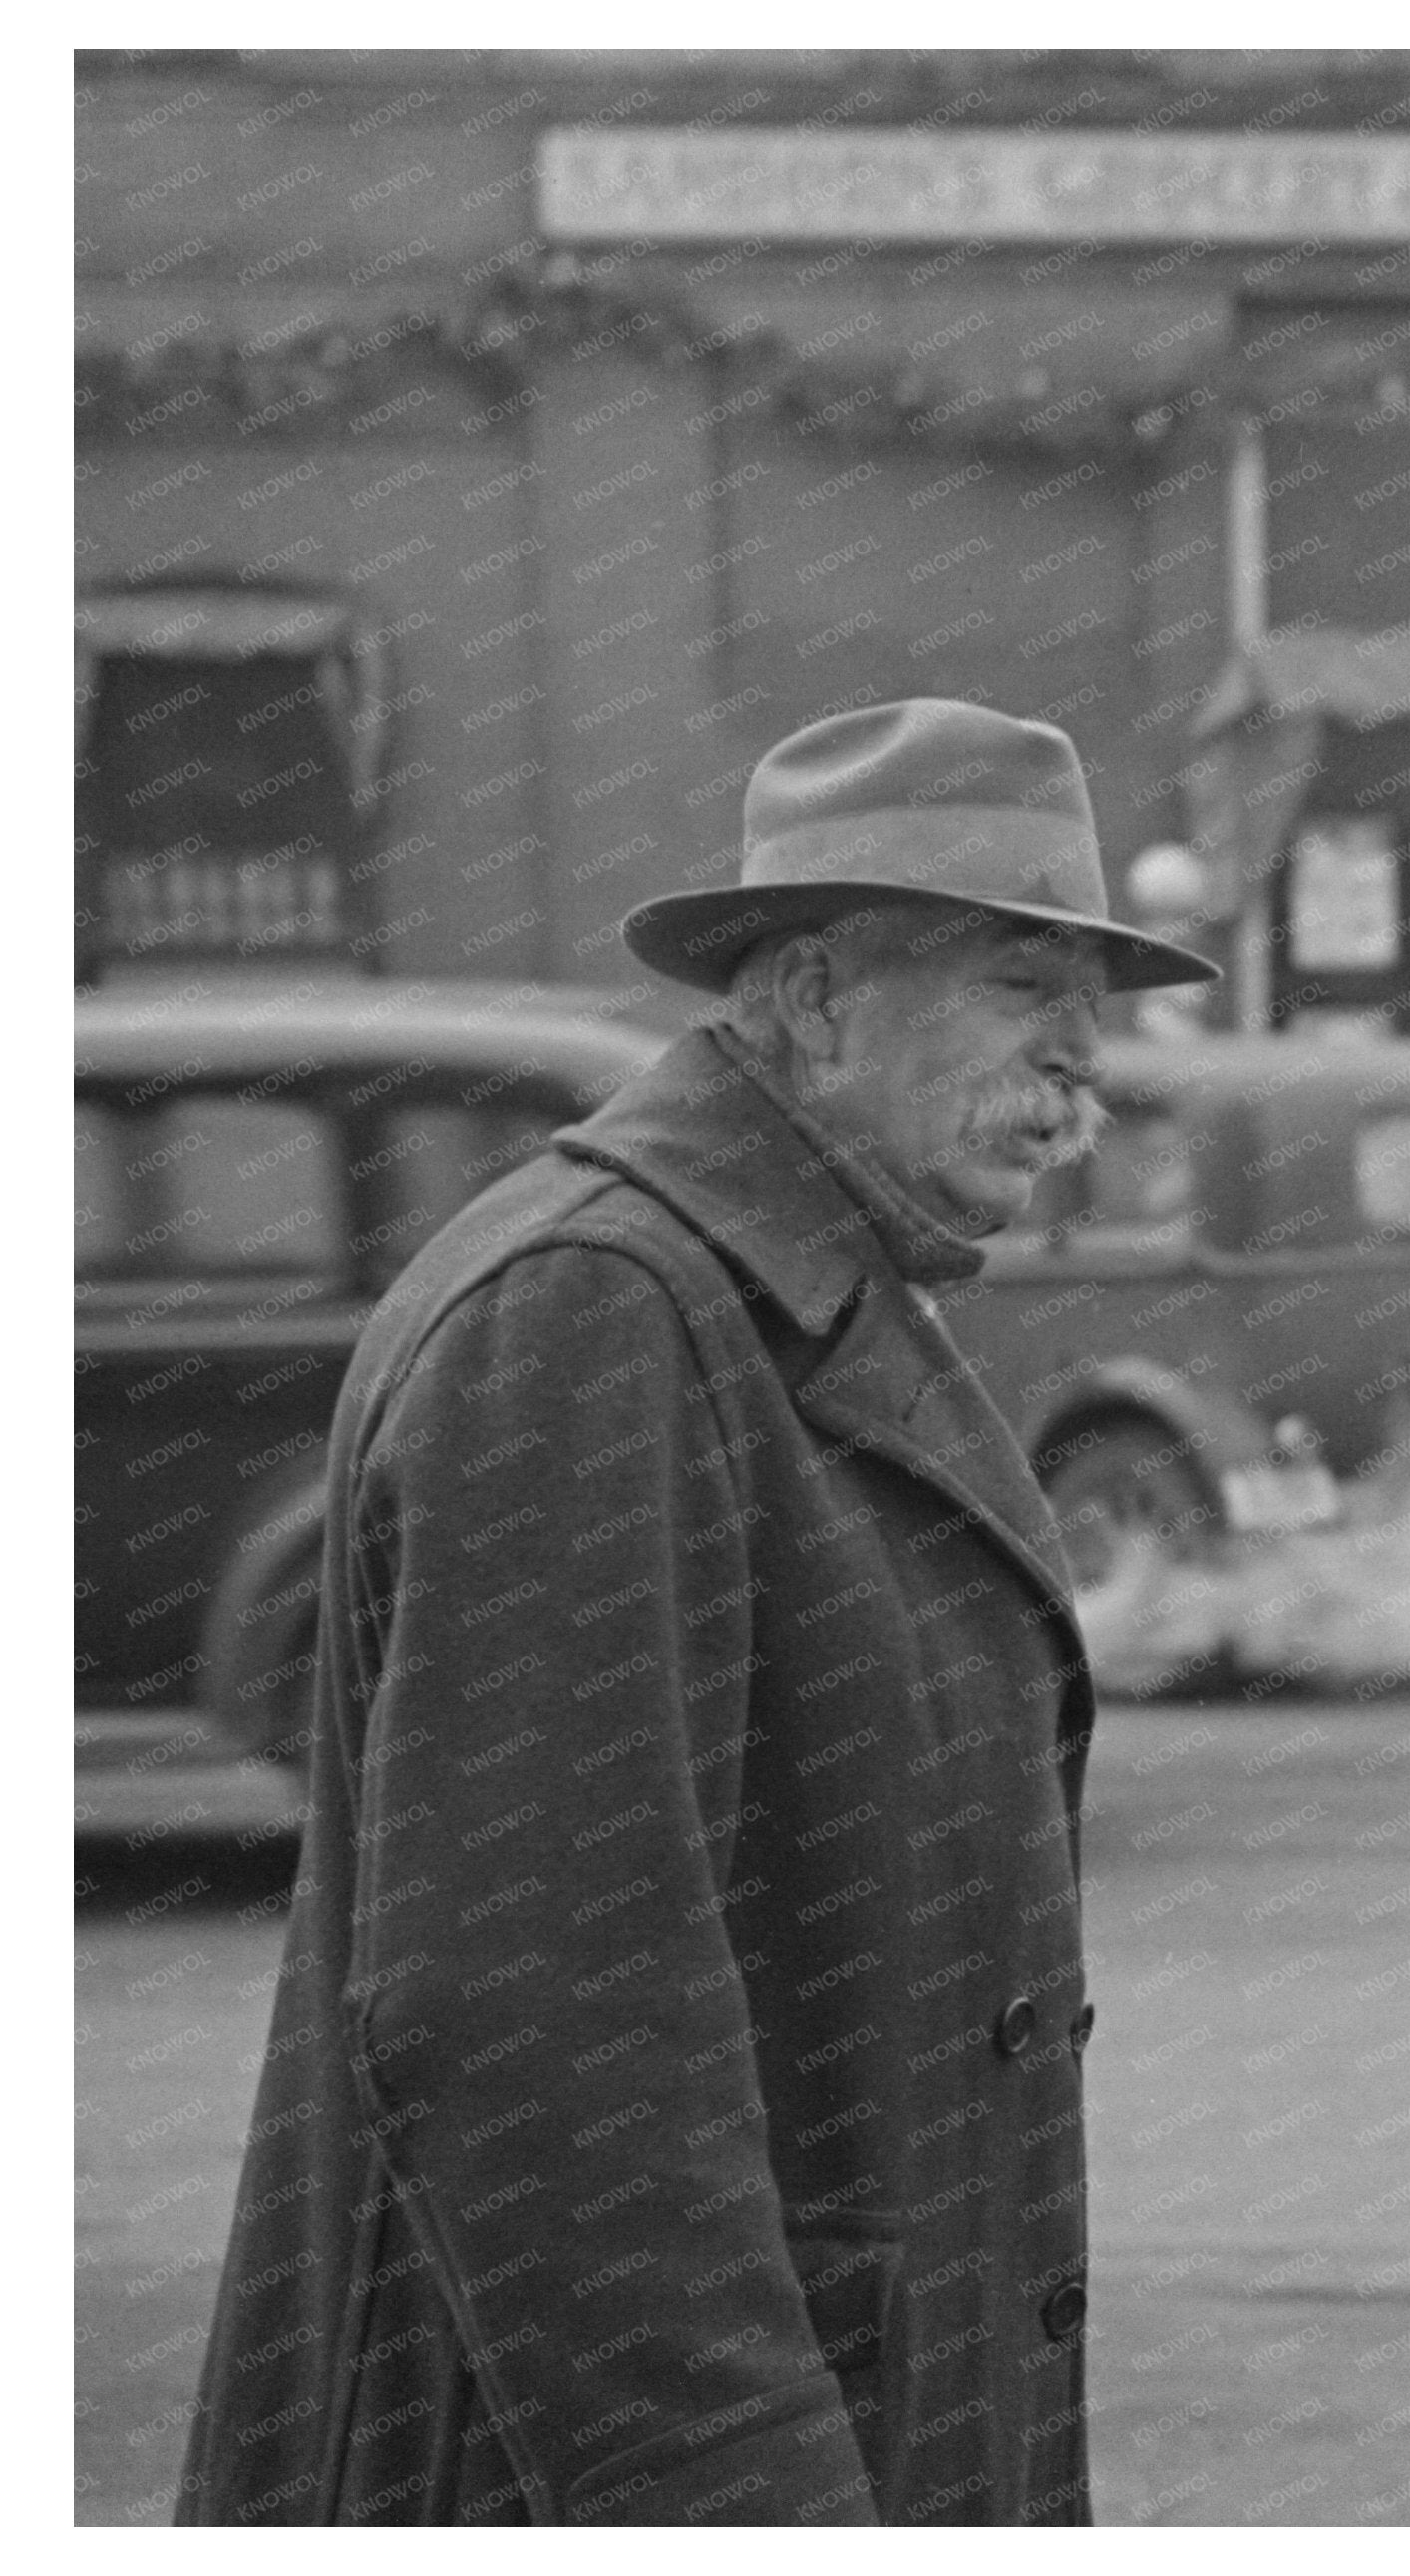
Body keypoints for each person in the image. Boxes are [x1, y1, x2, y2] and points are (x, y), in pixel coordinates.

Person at [179, 700, 1219, 2524]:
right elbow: (530, 2032)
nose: (1084, 1065)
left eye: (1094, 1005)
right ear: (814, 999)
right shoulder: (599, 1316)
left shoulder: (772, 1294)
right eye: (1019, 984)